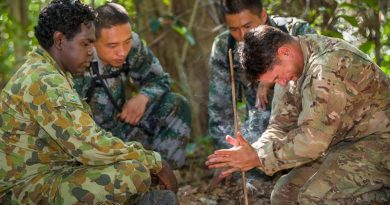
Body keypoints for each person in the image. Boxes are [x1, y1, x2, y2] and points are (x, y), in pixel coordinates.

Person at [0, 0, 178, 204]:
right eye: (85, 43)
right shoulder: (44, 81)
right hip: (25, 189)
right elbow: (90, 145)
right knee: (134, 173)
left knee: (130, 169)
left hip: (55, 170)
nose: (91, 51)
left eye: (93, 43)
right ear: (59, 40)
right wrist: (155, 162)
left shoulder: (45, 69)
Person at [206, 25, 390, 204]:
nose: (282, 83)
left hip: (381, 141)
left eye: (278, 77)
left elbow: (312, 142)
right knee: (284, 195)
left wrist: (258, 158)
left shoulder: (326, 67)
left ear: (284, 52)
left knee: (316, 197)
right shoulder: (291, 66)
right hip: (344, 143)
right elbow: (280, 126)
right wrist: (253, 151)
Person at [73, 3, 191, 169]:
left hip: (122, 129)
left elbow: (159, 79)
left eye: (126, 42)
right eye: (112, 46)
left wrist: (144, 97)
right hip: (89, 144)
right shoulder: (76, 61)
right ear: (92, 41)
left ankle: (164, 176)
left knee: (176, 104)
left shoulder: (131, 44)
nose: (122, 52)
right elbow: (71, 131)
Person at [208, 0, 316, 149]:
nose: (242, 35)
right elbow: (219, 109)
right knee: (244, 159)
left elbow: (321, 78)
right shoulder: (224, 48)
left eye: (247, 26)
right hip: (259, 123)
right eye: (233, 29)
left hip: (304, 117)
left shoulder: (295, 31)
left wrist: (274, 76)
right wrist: (227, 152)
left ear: (263, 15)